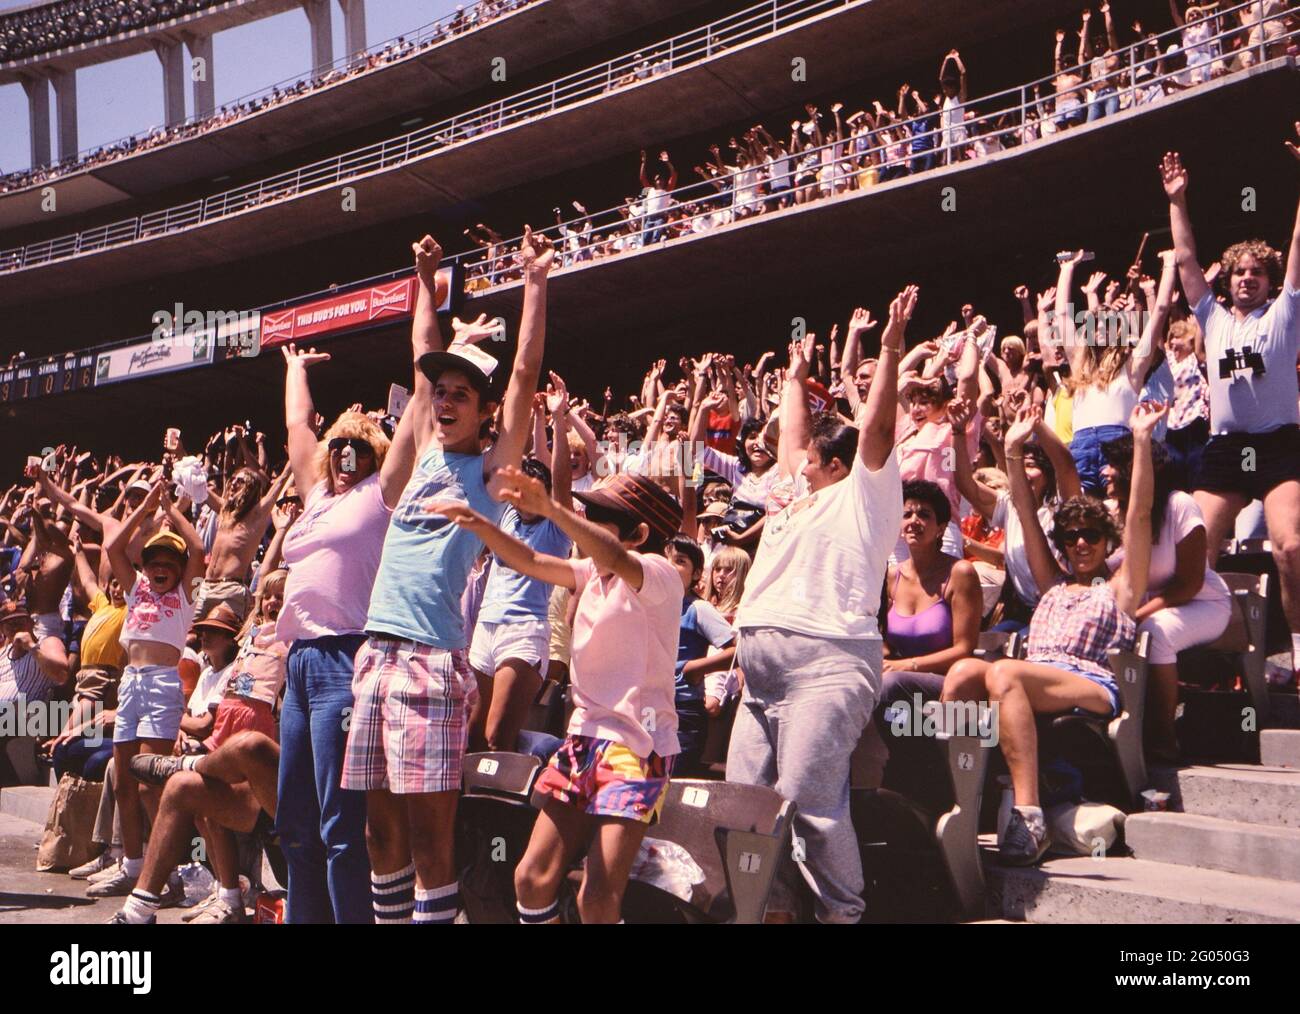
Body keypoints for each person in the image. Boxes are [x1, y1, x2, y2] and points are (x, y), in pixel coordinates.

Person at [344, 226, 553, 925]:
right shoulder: (426, 451)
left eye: (464, 392)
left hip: (433, 663)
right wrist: (424, 275)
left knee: (433, 837)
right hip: (375, 656)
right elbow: (419, 354)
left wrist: (534, 283)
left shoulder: (489, 473)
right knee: (380, 833)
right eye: (442, 392)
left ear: (487, 411)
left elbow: (522, 375)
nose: (447, 399)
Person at [725, 286, 913, 924]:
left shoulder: (865, 496)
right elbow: (789, 441)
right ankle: (777, 910)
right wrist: (798, 378)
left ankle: (843, 914)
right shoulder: (790, 495)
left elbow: (879, 432)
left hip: (827, 664)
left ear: (834, 464)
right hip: (761, 673)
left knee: (808, 799)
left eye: (809, 459)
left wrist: (888, 349)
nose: (795, 464)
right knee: (744, 801)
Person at [433, 468, 683, 924]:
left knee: (598, 895)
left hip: (636, 748)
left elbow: (612, 553)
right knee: (531, 876)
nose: (585, 522)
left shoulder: (660, 574)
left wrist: (551, 508)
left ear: (640, 533)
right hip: (583, 742)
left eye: (600, 517)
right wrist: (481, 523)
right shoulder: (591, 572)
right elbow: (528, 560)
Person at [944, 401, 1164, 865]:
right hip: (1036, 680)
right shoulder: (1054, 583)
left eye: (1090, 534)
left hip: (1092, 684)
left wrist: (1141, 440)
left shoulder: (1121, 587)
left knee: (1003, 676)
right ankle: (961, 790)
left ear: (1107, 541)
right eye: (1070, 537)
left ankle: (1029, 816)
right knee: (963, 671)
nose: (1080, 543)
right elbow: (1024, 511)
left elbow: (1140, 515)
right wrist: (1010, 449)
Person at [1162, 137, 1300, 680]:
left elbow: (1296, 241)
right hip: (1227, 447)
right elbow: (1189, 258)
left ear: (1268, 282)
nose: (1245, 278)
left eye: (1255, 274)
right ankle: (1203, 654)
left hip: (1279, 442)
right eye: (1239, 272)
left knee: (1290, 547)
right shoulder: (1212, 317)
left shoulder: (1285, 314)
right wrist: (1177, 199)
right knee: (1191, 550)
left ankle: (1296, 651)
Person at [275, 336, 394, 925]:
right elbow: (300, 426)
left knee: (341, 823)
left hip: (343, 661)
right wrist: (296, 368)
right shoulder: (318, 493)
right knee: (294, 822)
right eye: (339, 444)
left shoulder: (380, 496)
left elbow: (420, 422)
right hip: (298, 662)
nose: (346, 451)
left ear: (376, 456)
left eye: (359, 446)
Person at [90, 481, 205, 898]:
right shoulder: (136, 587)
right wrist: (144, 508)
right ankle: (132, 865)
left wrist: (170, 509)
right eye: (153, 559)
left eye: (169, 561)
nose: (160, 565)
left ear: (178, 568)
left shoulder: (186, 595)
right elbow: (113, 548)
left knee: (149, 785)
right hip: (130, 684)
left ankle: (167, 874)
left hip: (161, 684)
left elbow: (199, 549)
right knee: (123, 781)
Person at [1098, 432, 1231, 760]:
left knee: (1154, 634)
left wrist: (1137, 616)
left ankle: (1164, 737)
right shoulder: (1120, 512)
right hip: (1156, 605)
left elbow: (1190, 582)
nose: (1104, 471)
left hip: (1204, 603)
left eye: (1113, 464)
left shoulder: (1179, 505)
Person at [469, 379, 573, 752]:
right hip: (485, 628)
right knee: (472, 737)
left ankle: (541, 756)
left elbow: (561, 481)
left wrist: (558, 419)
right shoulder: (506, 517)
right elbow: (507, 459)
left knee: (498, 736)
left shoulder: (555, 528)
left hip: (524, 630)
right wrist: (533, 417)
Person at [108, 730, 280, 925]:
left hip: (310, 817)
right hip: (282, 804)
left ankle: (188, 764)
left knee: (250, 745)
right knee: (180, 787)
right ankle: (136, 914)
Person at [664, 535, 736, 773]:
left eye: (680, 561)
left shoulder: (698, 609)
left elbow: (738, 650)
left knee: (674, 781)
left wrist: (696, 669)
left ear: (696, 574)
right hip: (650, 708)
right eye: (665, 558)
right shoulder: (649, 605)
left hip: (683, 711)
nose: (669, 565)